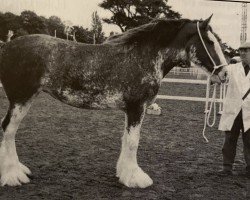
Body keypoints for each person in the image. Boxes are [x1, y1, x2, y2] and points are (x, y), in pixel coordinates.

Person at [218, 41, 250, 176]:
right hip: (234, 110)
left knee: (249, 140)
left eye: (246, 50)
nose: (242, 53)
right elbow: (220, 77)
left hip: (249, 110)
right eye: (241, 50)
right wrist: (215, 79)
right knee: (230, 140)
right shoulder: (232, 68)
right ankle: (227, 167)